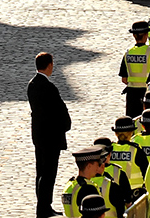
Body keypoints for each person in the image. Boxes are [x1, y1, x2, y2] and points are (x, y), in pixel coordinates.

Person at [29, 52, 72, 218]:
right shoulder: (49, 87)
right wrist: (65, 125)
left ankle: (43, 204)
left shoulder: (32, 84)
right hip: (51, 137)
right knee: (49, 174)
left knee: (40, 171)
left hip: (39, 136)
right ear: (50, 65)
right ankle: (44, 207)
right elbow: (59, 111)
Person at [120, 22, 150, 117]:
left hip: (132, 93)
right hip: (147, 92)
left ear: (134, 35)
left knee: (133, 120)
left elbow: (124, 79)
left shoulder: (128, 53)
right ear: (146, 35)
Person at [61, 145, 105, 218]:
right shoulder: (88, 188)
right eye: (97, 164)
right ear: (89, 166)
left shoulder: (70, 185)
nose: (98, 167)